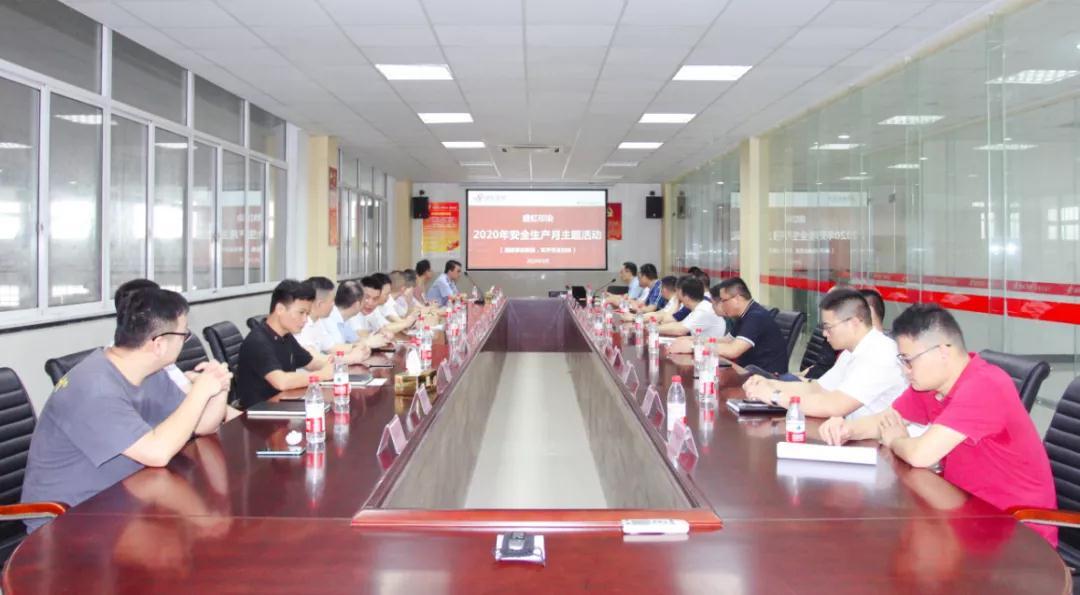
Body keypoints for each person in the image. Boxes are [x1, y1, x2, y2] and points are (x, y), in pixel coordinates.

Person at [819, 304, 1057, 546]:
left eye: (909, 361)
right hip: (964, 513)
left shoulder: (984, 386)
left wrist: (896, 440)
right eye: (902, 361)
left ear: (942, 352)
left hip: (1014, 533)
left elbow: (920, 455)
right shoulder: (931, 385)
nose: (905, 371)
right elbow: (886, 421)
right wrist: (847, 428)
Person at [21, 287, 233, 532]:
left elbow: (203, 426)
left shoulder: (150, 372)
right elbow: (157, 453)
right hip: (69, 521)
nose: (185, 341)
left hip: (127, 500)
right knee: (190, 543)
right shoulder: (94, 388)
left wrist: (219, 388)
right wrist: (199, 392)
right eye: (183, 335)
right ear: (159, 344)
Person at [744, 288, 907, 418]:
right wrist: (769, 384)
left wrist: (774, 396)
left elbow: (835, 405)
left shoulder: (880, 354)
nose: (824, 333)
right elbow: (819, 388)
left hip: (878, 445)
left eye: (828, 327)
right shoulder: (851, 351)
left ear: (853, 323)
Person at [236, 280, 334, 409]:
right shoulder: (258, 341)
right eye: (301, 312)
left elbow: (310, 363)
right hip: (260, 413)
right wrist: (322, 375)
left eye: (307, 314)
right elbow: (281, 382)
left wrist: (333, 365)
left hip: (283, 405)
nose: (305, 320)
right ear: (280, 309)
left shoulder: (285, 336)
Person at [673, 277, 789, 373]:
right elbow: (727, 340)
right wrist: (694, 340)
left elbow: (733, 350)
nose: (722, 305)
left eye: (723, 300)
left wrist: (694, 347)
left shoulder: (755, 316)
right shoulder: (745, 314)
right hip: (748, 370)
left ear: (737, 299)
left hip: (765, 376)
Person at [297, 277, 372, 363]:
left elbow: (332, 348)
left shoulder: (317, 321)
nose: (334, 305)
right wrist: (351, 358)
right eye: (332, 301)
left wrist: (356, 347)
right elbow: (314, 360)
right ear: (320, 304)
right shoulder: (301, 326)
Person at [657, 276, 726, 338]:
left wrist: (654, 328)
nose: (676, 296)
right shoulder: (699, 306)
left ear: (686, 297)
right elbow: (681, 324)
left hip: (708, 347)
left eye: (677, 293)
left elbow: (680, 330)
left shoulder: (703, 310)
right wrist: (656, 327)